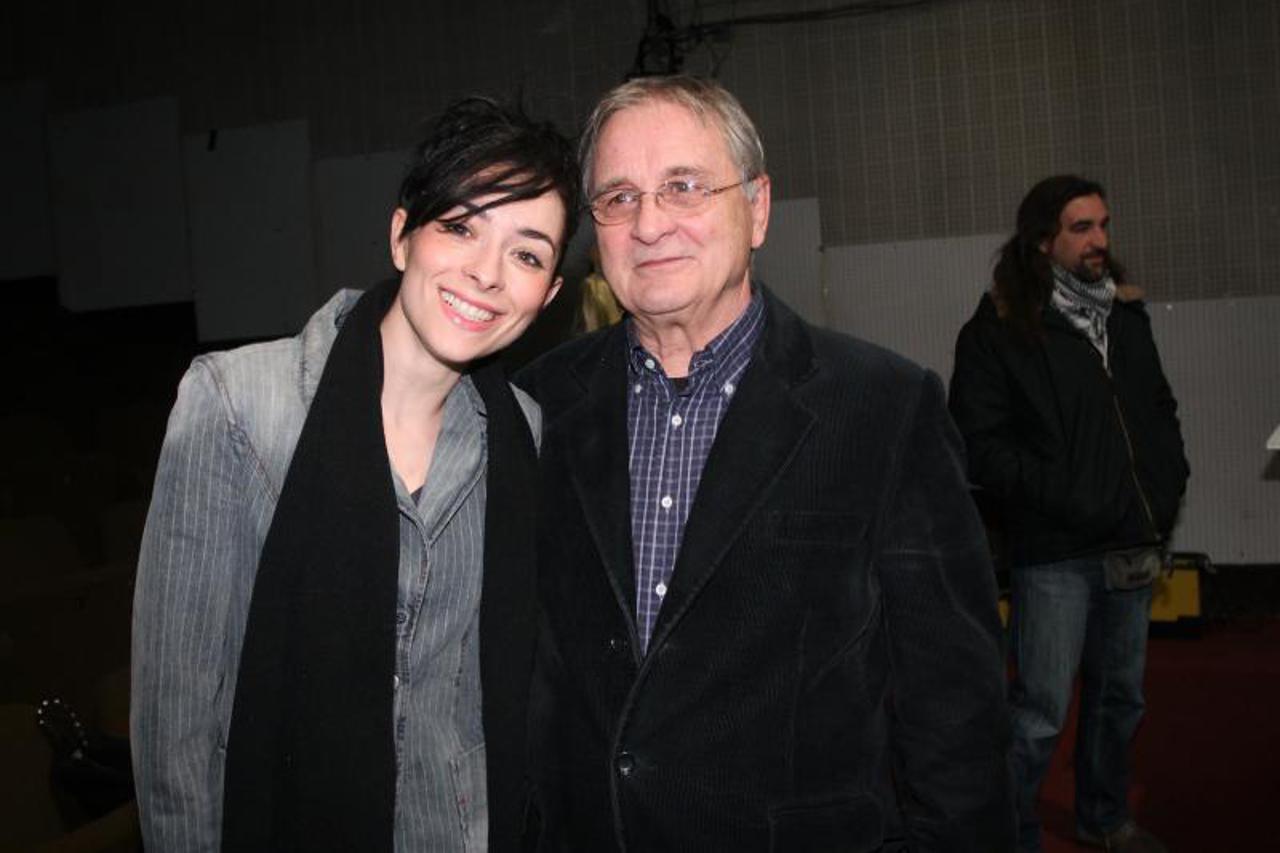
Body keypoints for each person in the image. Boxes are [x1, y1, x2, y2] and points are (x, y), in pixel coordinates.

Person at [516, 75, 1013, 852]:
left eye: (683, 187)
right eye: (618, 197)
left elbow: (956, 706)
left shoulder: (883, 408)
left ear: (757, 208)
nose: (649, 224)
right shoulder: (537, 403)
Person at [130, 97, 579, 852]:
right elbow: (177, 730)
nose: (487, 273)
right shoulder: (237, 407)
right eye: (462, 226)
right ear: (402, 234)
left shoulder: (520, 436)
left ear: (551, 295)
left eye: (528, 254)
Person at [948, 175, 1188, 853]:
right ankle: (1008, 833)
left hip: (1133, 542)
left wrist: (1165, 485)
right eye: (1082, 228)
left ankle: (1104, 818)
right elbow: (978, 445)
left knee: (1121, 703)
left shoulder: (1125, 316)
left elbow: (1159, 411)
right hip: (1055, 552)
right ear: (1042, 240)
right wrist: (1069, 497)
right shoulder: (999, 328)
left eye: (1104, 225)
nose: (1099, 241)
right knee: (1040, 712)